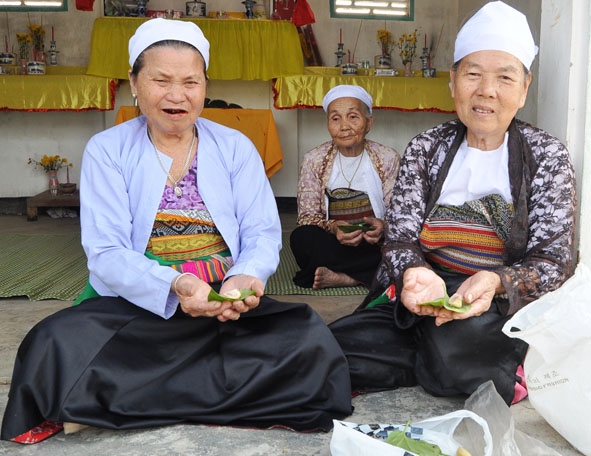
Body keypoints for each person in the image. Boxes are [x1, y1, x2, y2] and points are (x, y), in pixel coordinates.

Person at [1, 18, 352, 444]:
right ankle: (219, 393)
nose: (177, 95)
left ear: (205, 86)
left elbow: (261, 231)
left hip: (223, 301)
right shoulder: (108, 150)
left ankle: (129, 398)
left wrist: (245, 277)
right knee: (50, 344)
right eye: (161, 80)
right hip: (139, 302)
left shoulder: (235, 146)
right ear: (134, 82)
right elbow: (106, 251)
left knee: (309, 340)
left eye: (191, 81)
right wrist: (176, 284)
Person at [329, 1, 577, 405]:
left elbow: (552, 261)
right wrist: (413, 274)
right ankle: (434, 350)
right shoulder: (427, 148)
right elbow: (399, 239)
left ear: (524, 88)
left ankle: (434, 354)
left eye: (504, 77)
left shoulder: (546, 155)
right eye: (473, 74)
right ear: (453, 81)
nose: (486, 91)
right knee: (328, 346)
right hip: (422, 295)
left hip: (492, 303)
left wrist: (497, 281)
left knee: (454, 357)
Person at [290, 85, 400, 289]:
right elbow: (307, 216)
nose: (344, 126)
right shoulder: (314, 159)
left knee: (408, 245)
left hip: (374, 243)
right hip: (334, 242)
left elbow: (400, 214)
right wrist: (333, 227)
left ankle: (344, 277)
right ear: (328, 124)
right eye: (335, 119)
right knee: (301, 238)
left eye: (353, 117)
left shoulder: (387, 158)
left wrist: (383, 227)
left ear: (369, 123)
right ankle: (373, 274)